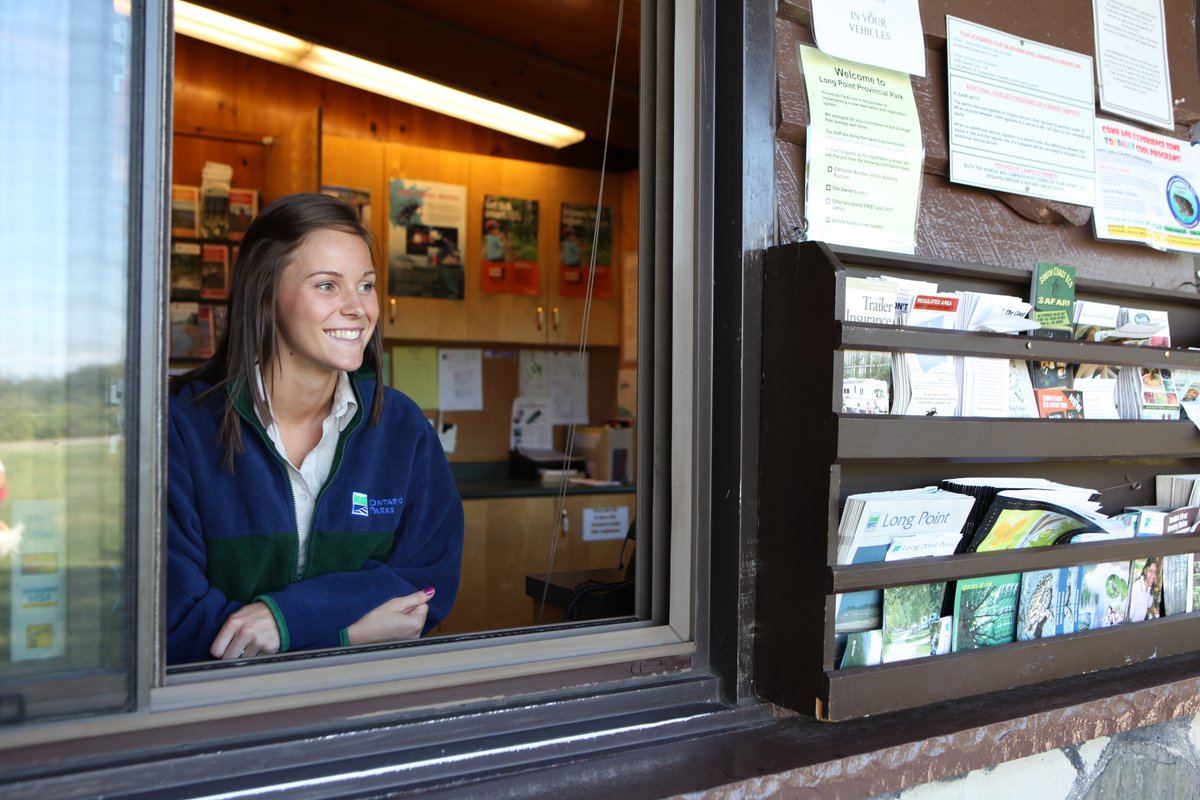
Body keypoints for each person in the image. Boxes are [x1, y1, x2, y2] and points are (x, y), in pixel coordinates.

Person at [167, 193, 464, 664]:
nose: (357, 308)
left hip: (365, 710)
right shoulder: (181, 426)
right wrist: (344, 635)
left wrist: (284, 618)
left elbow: (426, 589)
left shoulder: (403, 428)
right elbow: (175, 620)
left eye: (365, 286)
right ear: (265, 293)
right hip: (219, 715)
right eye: (327, 285)